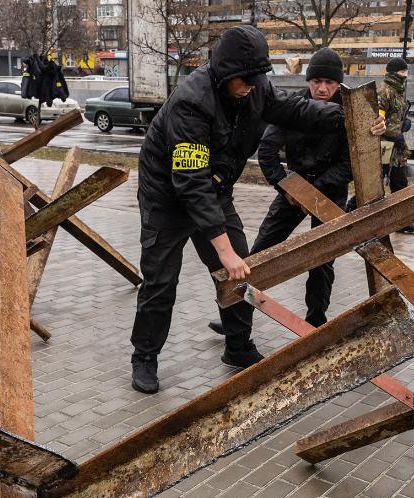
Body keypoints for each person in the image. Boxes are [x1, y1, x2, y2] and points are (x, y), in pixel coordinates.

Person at [130, 27, 382, 394]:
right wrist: (223, 249)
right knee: (161, 279)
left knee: (239, 270)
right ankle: (145, 358)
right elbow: (190, 180)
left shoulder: (256, 87)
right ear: (225, 73)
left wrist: (352, 118)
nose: (251, 85)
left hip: (213, 188)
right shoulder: (191, 103)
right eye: (245, 79)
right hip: (167, 196)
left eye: (256, 78)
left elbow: (295, 110)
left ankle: (237, 346)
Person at [205, 48, 375, 336]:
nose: (322, 88)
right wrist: (284, 186)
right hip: (292, 190)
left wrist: (313, 192)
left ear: (338, 84)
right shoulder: (292, 107)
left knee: (322, 261)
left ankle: (316, 323)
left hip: (328, 192)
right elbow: (267, 152)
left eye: (330, 83)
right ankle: (236, 317)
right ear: (308, 80)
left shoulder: (349, 113)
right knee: (259, 254)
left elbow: (350, 164)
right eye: (317, 80)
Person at [380, 57, 414, 234]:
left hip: (396, 147)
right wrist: (393, 132)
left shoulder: (399, 91)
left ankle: (402, 222)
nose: (405, 75)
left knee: (400, 184)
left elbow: (396, 115)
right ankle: (351, 210)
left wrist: (405, 122)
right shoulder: (385, 91)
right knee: (375, 185)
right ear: (394, 73)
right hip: (384, 146)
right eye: (402, 71)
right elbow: (378, 118)